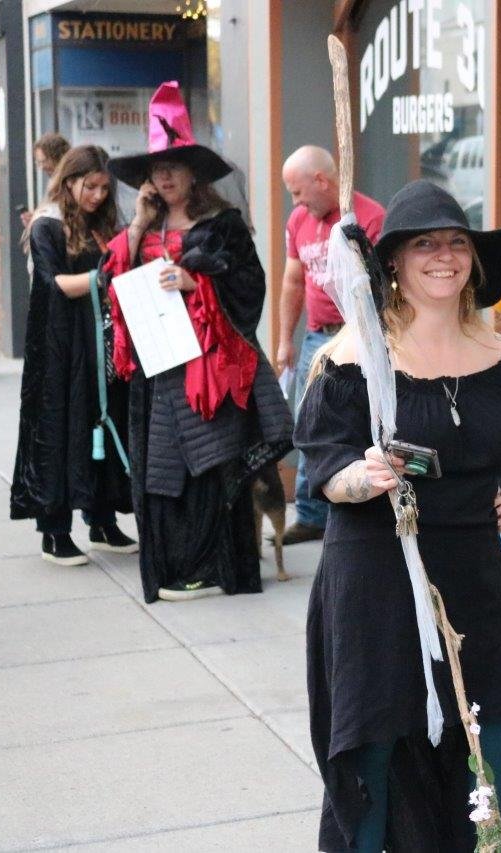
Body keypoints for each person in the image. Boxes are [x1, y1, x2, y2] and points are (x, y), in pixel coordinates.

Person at [296, 180, 501, 851]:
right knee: (377, 750)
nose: (443, 256)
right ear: (393, 261)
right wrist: (366, 476)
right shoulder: (352, 359)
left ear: (473, 260)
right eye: (424, 244)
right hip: (378, 573)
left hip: (476, 571)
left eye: (455, 242)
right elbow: (325, 470)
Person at [103, 82, 291, 603]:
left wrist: (197, 283)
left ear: (193, 173)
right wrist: (139, 225)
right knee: (161, 470)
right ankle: (176, 565)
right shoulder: (144, 224)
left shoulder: (222, 225)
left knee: (208, 467)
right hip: (156, 367)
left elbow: (251, 286)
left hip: (207, 369)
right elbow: (110, 280)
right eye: (156, 170)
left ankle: (211, 567)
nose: (164, 177)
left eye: (174, 167)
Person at [10, 145, 136, 564]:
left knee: (101, 424)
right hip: (59, 348)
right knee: (60, 431)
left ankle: (101, 520)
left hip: (99, 343)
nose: (98, 195)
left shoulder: (100, 224)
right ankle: (54, 531)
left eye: (104, 187)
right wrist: (105, 277)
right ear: (68, 182)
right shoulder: (48, 225)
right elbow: (54, 284)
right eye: (90, 186)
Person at [276, 145, 385, 545]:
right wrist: (285, 340)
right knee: (311, 422)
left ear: (321, 180)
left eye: (297, 192)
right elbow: (292, 281)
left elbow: (383, 285)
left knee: (362, 420)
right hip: (318, 336)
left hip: (360, 335)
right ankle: (310, 514)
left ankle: (358, 507)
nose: (295, 202)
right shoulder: (298, 221)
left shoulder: (368, 217)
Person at [20, 133, 71, 230]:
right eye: (38, 163)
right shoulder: (54, 181)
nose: (42, 167)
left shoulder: (70, 182)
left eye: (43, 161)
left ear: (58, 157)